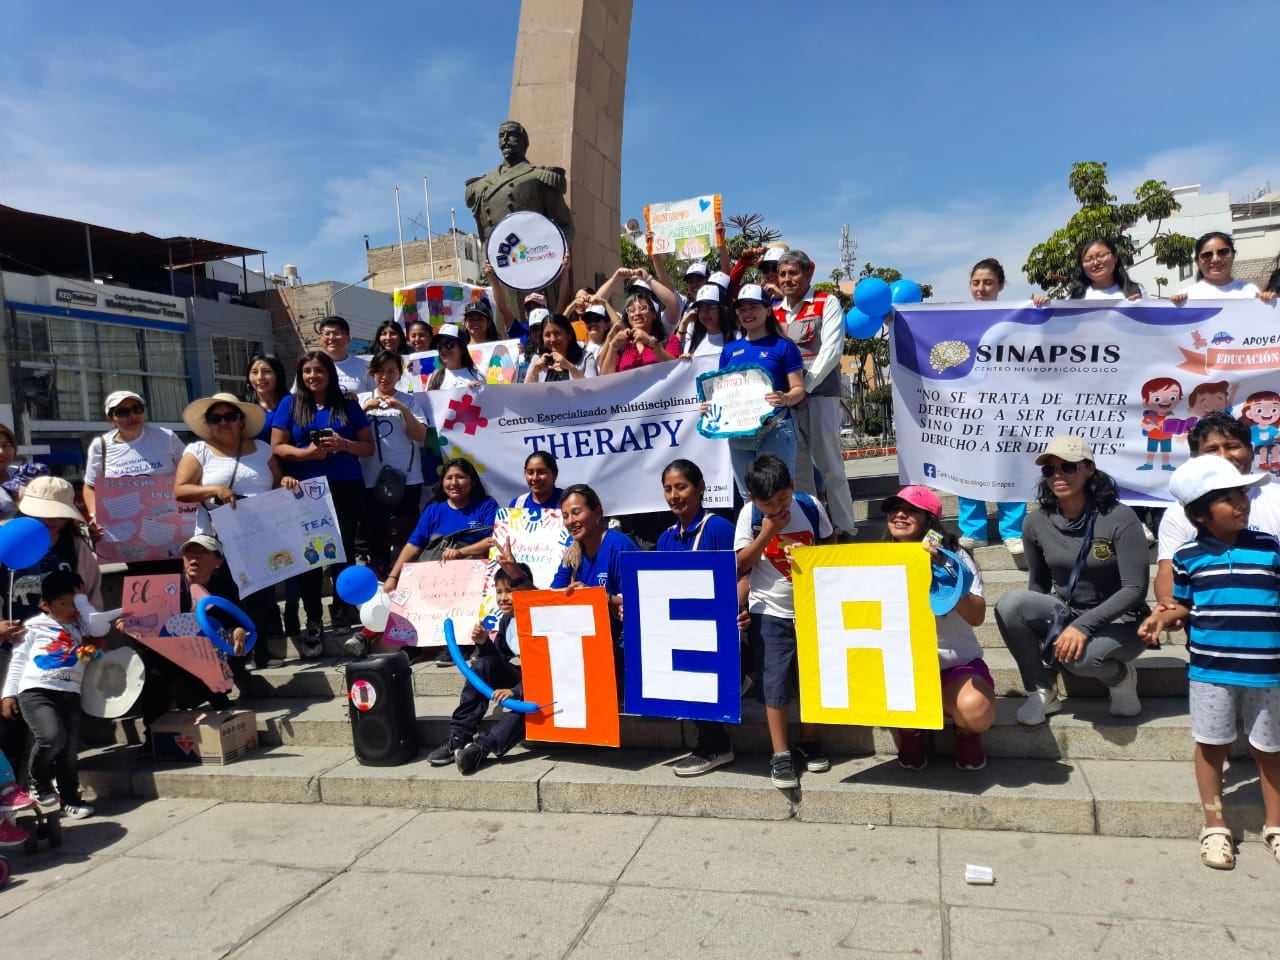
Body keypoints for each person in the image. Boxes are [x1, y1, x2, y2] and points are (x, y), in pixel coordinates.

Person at [1139, 456, 1280, 869]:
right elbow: (1182, 605)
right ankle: (1215, 826)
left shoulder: (1270, 547)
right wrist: (1161, 618)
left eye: (1243, 494)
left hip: (1268, 670)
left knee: (1270, 749)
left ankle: (1275, 825)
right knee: (1211, 745)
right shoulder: (1188, 556)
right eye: (1229, 498)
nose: (1243, 503)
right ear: (1200, 513)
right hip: (1211, 672)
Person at [994, 435, 1151, 725]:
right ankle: (1041, 691)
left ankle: (1120, 677)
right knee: (1010, 603)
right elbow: (1038, 587)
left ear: (1089, 468)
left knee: (1078, 660)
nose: (1057, 475)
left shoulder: (1120, 517)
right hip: (1069, 611)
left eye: (1068, 467)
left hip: (1121, 620)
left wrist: (1082, 626)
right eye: (1049, 469)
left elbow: (1136, 589)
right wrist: (1043, 638)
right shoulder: (1035, 522)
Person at [174, 392, 296, 668]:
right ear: (208, 423)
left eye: (229, 416)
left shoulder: (262, 450)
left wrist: (286, 480)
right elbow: (180, 489)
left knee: (261, 592)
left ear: (241, 420)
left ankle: (261, 650)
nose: (223, 422)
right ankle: (233, 658)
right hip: (219, 534)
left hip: (261, 532)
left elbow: (276, 482)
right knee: (226, 592)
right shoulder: (198, 451)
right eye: (215, 418)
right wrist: (213, 489)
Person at [735, 454, 833, 788]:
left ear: (792, 487)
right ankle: (780, 754)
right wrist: (768, 534)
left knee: (810, 679)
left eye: (782, 499)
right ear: (752, 498)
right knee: (774, 683)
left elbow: (830, 548)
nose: (777, 508)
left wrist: (808, 557)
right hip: (769, 612)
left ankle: (809, 740)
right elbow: (738, 565)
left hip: (810, 608)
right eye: (767, 503)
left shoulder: (810, 506)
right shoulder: (749, 517)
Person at [882, 486, 996, 771]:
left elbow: (978, 616)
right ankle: (911, 732)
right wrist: (803, 562)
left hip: (955, 665)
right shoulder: (878, 557)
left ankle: (966, 732)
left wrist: (950, 581)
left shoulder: (955, 556)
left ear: (929, 519)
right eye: (895, 509)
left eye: (910, 510)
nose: (899, 515)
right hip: (903, 667)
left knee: (977, 711)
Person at [271, 351, 374, 655]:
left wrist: (343, 445)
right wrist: (306, 454)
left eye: (319, 370)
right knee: (310, 559)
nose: (313, 376)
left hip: (345, 486)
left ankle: (342, 611)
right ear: (299, 375)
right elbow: (277, 446)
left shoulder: (347, 404)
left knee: (342, 554)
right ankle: (313, 618)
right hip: (306, 490)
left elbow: (368, 447)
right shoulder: (289, 404)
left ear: (329, 373)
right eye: (307, 371)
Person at [1, 570, 112, 820]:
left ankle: (70, 799)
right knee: (52, 737)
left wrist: (92, 650)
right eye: (63, 603)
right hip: (36, 691)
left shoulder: (83, 627)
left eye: (76, 602)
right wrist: (8, 695)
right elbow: (18, 661)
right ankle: (38, 781)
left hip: (70, 693)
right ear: (45, 604)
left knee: (69, 750)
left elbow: (93, 657)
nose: (70, 608)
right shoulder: (33, 625)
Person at [657, 459, 741, 776]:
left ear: (701, 488)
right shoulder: (665, 538)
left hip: (719, 632)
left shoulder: (718, 528)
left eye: (682, 487)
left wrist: (738, 612)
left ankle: (716, 746)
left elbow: (741, 574)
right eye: (668, 489)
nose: (674, 495)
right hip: (682, 628)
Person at [1154, 413, 1280, 611]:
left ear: (1250, 450)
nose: (1224, 457)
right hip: (1210, 636)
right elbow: (1168, 572)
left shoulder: (1276, 499)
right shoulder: (1178, 512)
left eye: (1232, 446)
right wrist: (1169, 609)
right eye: (1212, 450)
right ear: (1194, 459)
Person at [773, 250, 857, 542]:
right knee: (799, 468)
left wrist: (803, 388)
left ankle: (846, 527)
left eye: (793, 273)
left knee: (830, 465)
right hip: (787, 402)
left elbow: (832, 351)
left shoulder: (826, 302)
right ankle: (812, 527)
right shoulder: (773, 310)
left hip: (820, 396)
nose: (788, 279)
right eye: (783, 274)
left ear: (808, 273)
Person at [429, 563, 536, 771]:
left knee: (528, 704)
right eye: (499, 592)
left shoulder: (539, 619)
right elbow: (497, 661)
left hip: (544, 683)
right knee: (483, 665)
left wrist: (515, 691)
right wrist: (484, 642)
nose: (503, 597)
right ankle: (459, 736)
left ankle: (480, 749)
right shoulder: (507, 620)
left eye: (510, 591)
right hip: (525, 678)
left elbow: (545, 671)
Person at [956, 258, 1026, 555]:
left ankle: (1013, 531)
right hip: (968, 406)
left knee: (1009, 464)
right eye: (976, 283)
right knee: (967, 465)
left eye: (988, 283)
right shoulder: (955, 318)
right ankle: (974, 530)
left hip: (1007, 405)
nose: (981, 289)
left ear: (1000, 286)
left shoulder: (1015, 318)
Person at [713, 284, 805, 497]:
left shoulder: (784, 346)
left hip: (775, 426)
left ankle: (784, 532)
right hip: (739, 431)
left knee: (777, 492)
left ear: (768, 309)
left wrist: (785, 398)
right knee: (749, 495)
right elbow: (722, 393)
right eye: (742, 309)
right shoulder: (729, 351)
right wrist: (712, 407)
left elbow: (799, 389)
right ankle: (756, 532)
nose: (747, 314)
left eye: (753, 307)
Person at [358, 351, 429, 583]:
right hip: (371, 479)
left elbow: (420, 436)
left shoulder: (409, 400)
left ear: (399, 374)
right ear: (372, 373)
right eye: (379, 371)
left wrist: (402, 408)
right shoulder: (361, 399)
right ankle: (380, 580)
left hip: (406, 479)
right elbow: (349, 435)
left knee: (406, 532)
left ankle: (405, 579)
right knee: (375, 534)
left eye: (391, 371)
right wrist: (365, 410)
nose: (385, 377)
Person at [82, 389, 185, 539]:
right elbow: (90, 486)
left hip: (172, 521)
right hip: (128, 531)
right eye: (123, 412)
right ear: (110, 419)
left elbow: (190, 472)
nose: (132, 416)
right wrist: (94, 516)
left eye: (137, 409)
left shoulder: (166, 437)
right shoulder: (100, 446)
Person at [385, 458, 498, 586]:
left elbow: (493, 542)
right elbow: (413, 546)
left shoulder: (487, 506)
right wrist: (393, 577)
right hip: (434, 583)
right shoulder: (433, 509)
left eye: (460, 477)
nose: (454, 483)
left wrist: (461, 552)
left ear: (472, 481)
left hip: (472, 581)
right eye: (449, 478)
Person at [1030, 238, 1144, 305]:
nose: (1095, 262)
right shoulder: (1075, 297)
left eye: (1101, 255)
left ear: (1115, 257)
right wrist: (1045, 306)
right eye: (1088, 259)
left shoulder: (1136, 291)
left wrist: (1140, 310)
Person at [1170, 232, 1270, 303]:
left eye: (1223, 252)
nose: (1216, 259)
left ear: (1233, 254)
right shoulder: (1186, 297)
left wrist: (1271, 303)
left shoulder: (1250, 291)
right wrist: (1174, 307)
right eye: (1207, 255)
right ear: (1197, 262)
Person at [597, 291, 679, 374]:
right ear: (628, 318)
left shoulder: (669, 340)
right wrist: (613, 346)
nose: (637, 313)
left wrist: (651, 341)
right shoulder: (621, 346)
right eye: (631, 310)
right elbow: (606, 378)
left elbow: (677, 369)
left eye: (643, 308)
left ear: (654, 315)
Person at [310, 316, 372, 396]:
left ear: (348, 339)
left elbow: (375, 396)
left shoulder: (366, 366)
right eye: (327, 334)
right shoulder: (310, 367)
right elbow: (298, 396)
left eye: (336, 333)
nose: (331, 338)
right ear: (320, 339)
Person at [526, 313, 597, 382]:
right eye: (547, 335)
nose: (552, 339)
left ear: (569, 334)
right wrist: (535, 371)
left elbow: (592, 388)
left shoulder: (586, 358)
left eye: (557, 333)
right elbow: (525, 392)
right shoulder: (537, 359)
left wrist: (570, 367)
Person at [678, 283, 740, 359]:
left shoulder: (738, 338)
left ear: (722, 310)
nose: (705, 312)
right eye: (701, 308)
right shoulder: (691, 345)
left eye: (710, 307)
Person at [426, 324, 484, 389]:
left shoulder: (478, 377)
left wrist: (475, 393)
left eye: (449, 344)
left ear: (462, 349)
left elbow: (487, 398)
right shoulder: (433, 377)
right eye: (440, 345)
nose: (443, 349)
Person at [245, 354, 288, 443]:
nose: (260, 377)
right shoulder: (244, 409)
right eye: (254, 372)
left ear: (278, 374)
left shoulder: (293, 404)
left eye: (266, 371)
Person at [510, 451, 562, 519]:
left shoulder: (568, 501)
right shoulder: (517, 504)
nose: (535, 478)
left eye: (541, 472)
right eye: (530, 473)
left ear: (554, 474)